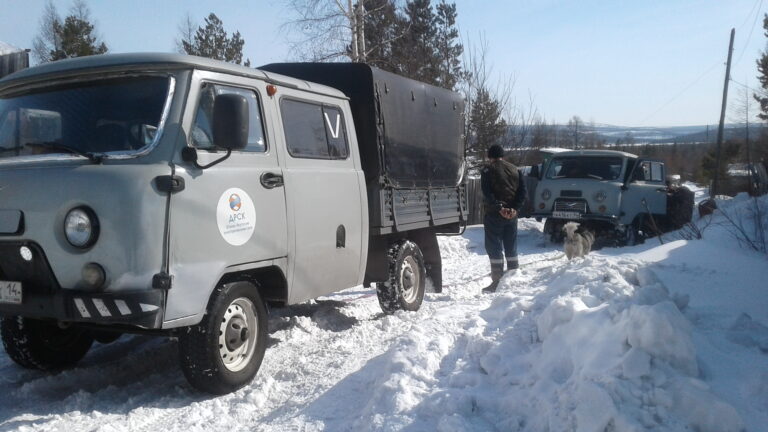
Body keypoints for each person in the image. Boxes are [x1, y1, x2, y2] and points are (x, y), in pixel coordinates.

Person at [480, 144, 527, 293]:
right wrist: (514, 209)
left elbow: (487, 193)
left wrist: (499, 208)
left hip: (495, 215)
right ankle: (513, 279)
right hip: (512, 216)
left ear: (490, 156)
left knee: (494, 247)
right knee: (511, 246)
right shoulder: (515, 170)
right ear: (503, 156)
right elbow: (522, 192)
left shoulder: (487, 170)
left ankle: (497, 282)